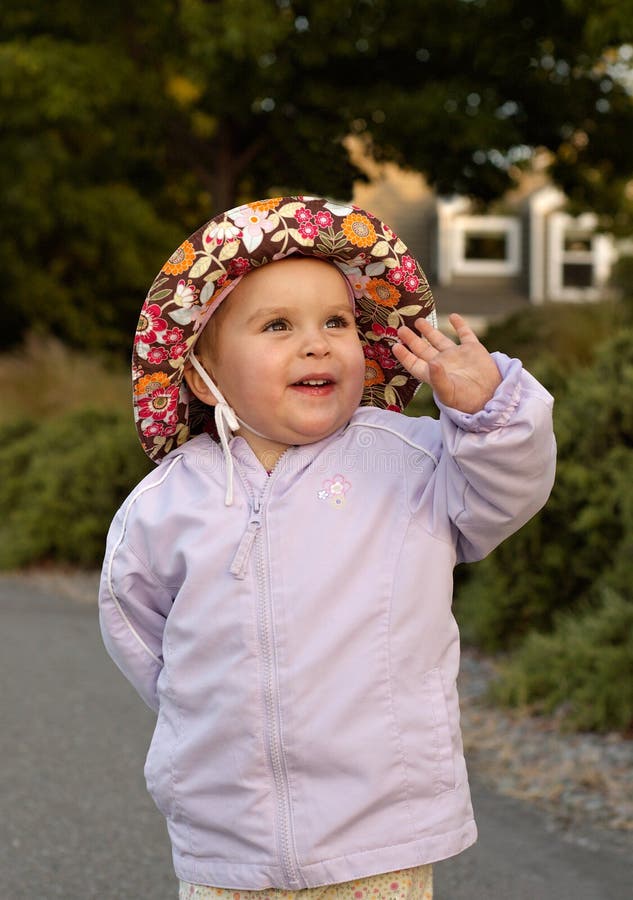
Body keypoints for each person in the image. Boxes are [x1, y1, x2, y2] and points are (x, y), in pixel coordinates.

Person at [99, 196, 556, 900]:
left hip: (379, 828)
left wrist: (489, 416)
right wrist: (207, 715)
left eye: (336, 322)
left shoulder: (409, 463)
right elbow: (139, 630)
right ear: (200, 375)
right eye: (277, 325)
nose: (316, 343)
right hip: (228, 834)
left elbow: (504, 494)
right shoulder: (167, 504)